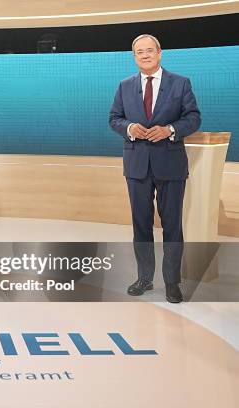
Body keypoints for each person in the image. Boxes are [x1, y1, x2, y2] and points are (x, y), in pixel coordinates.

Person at [109, 34, 201, 303]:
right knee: (141, 224)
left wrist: (170, 130)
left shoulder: (180, 83)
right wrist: (128, 128)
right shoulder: (125, 86)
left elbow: (193, 117)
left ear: (160, 53)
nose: (145, 55)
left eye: (150, 50)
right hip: (137, 165)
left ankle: (172, 282)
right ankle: (145, 278)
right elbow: (114, 118)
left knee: (172, 224)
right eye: (140, 52)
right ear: (134, 56)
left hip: (170, 163)